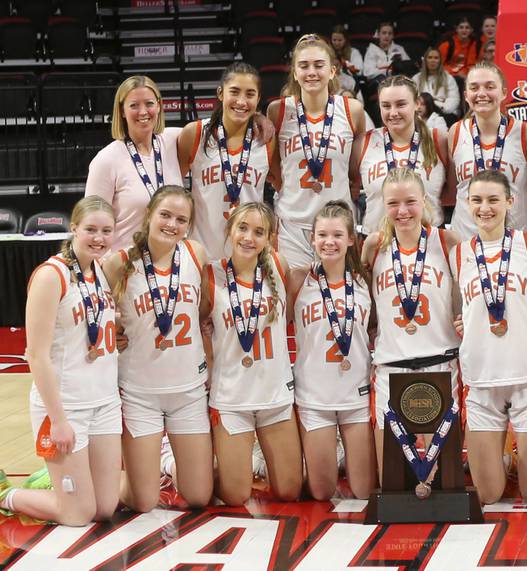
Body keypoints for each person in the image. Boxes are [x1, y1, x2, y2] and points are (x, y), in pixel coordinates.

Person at [0, 197, 120, 526]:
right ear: (73, 229)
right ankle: (6, 494)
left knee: (105, 507)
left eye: (106, 231)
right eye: (91, 230)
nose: (99, 237)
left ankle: (53, 480)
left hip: (105, 404)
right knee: (77, 514)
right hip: (66, 407)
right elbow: (35, 355)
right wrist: (58, 420)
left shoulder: (101, 272)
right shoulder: (51, 275)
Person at [104, 186, 213, 512]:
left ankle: (164, 461)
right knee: (143, 502)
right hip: (140, 392)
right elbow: (99, 317)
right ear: (149, 214)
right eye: (165, 215)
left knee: (198, 497)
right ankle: (134, 474)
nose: (172, 224)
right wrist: (116, 328)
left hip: (188, 392)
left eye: (181, 219)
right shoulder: (118, 263)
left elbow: (204, 309)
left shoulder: (196, 254)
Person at [452, 169, 527, 505]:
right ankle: (506, 459)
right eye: (477, 200)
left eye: (494, 199)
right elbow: (460, 307)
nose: (485, 208)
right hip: (482, 379)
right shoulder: (458, 253)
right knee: (487, 494)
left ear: (510, 202)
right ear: (467, 204)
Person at [361, 168, 461, 479]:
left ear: (425, 201)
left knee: (444, 480)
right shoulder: (373, 246)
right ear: (382, 205)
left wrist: (464, 320)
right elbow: (370, 305)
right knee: (392, 480)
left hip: (440, 365)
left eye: (410, 202)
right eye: (393, 203)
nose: (402, 211)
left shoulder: (447, 241)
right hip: (392, 367)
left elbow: (465, 294)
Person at [201, 202, 301, 504]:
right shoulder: (211, 275)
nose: (249, 238)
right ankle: (190, 468)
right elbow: (195, 323)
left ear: (269, 238)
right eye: (242, 228)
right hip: (232, 398)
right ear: (230, 230)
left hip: (274, 394)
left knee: (289, 491)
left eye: (259, 232)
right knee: (235, 495)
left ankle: (251, 466)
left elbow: (289, 320)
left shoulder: (279, 267)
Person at [291, 201, 376, 500]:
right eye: (322, 235)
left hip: (356, 395)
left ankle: (341, 457)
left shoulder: (365, 281)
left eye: (338, 235)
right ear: (312, 239)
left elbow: (376, 328)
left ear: (352, 239)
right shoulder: (298, 280)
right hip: (315, 397)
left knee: (365, 490)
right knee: (322, 492)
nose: (330, 242)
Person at [268, 34, 366, 268]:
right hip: (292, 224)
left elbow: (356, 167)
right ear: (294, 72)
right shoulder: (278, 111)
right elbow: (273, 166)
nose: (311, 72)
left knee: (337, 298)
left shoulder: (352, 110)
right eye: (303, 66)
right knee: (292, 298)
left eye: (319, 65)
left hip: (336, 224)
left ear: (332, 71)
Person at [178, 62, 270, 260]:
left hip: (248, 261)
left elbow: (283, 189)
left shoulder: (267, 142)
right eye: (234, 92)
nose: (241, 101)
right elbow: (172, 185)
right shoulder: (195, 134)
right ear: (220, 93)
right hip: (203, 259)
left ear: (258, 99)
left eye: (250, 94)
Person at [85, 76, 183, 252]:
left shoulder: (174, 141)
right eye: (134, 105)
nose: (143, 111)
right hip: (127, 266)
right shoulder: (106, 160)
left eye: (149, 104)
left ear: (159, 106)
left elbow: (215, 130)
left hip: (173, 267)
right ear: (122, 111)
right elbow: (92, 223)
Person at [447, 62, 527, 240]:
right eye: (474, 88)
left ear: (503, 92)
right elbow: (452, 189)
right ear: (466, 95)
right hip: (466, 244)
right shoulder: (455, 132)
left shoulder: (526, 133)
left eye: (490, 87)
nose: (481, 94)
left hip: (513, 244)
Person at [356, 75, 447, 234]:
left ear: (417, 103)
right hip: (377, 244)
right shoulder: (364, 142)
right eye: (386, 106)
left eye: (401, 104)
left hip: (429, 244)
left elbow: (451, 194)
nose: (393, 113)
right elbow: (352, 188)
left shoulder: (439, 140)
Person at [413, 47, 461, 120]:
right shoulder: (416, 78)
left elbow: (454, 99)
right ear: (425, 60)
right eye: (430, 57)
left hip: (445, 114)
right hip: (422, 114)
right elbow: (413, 99)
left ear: (440, 61)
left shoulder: (449, 78)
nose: (433, 60)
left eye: (436, 58)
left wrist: (439, 107)